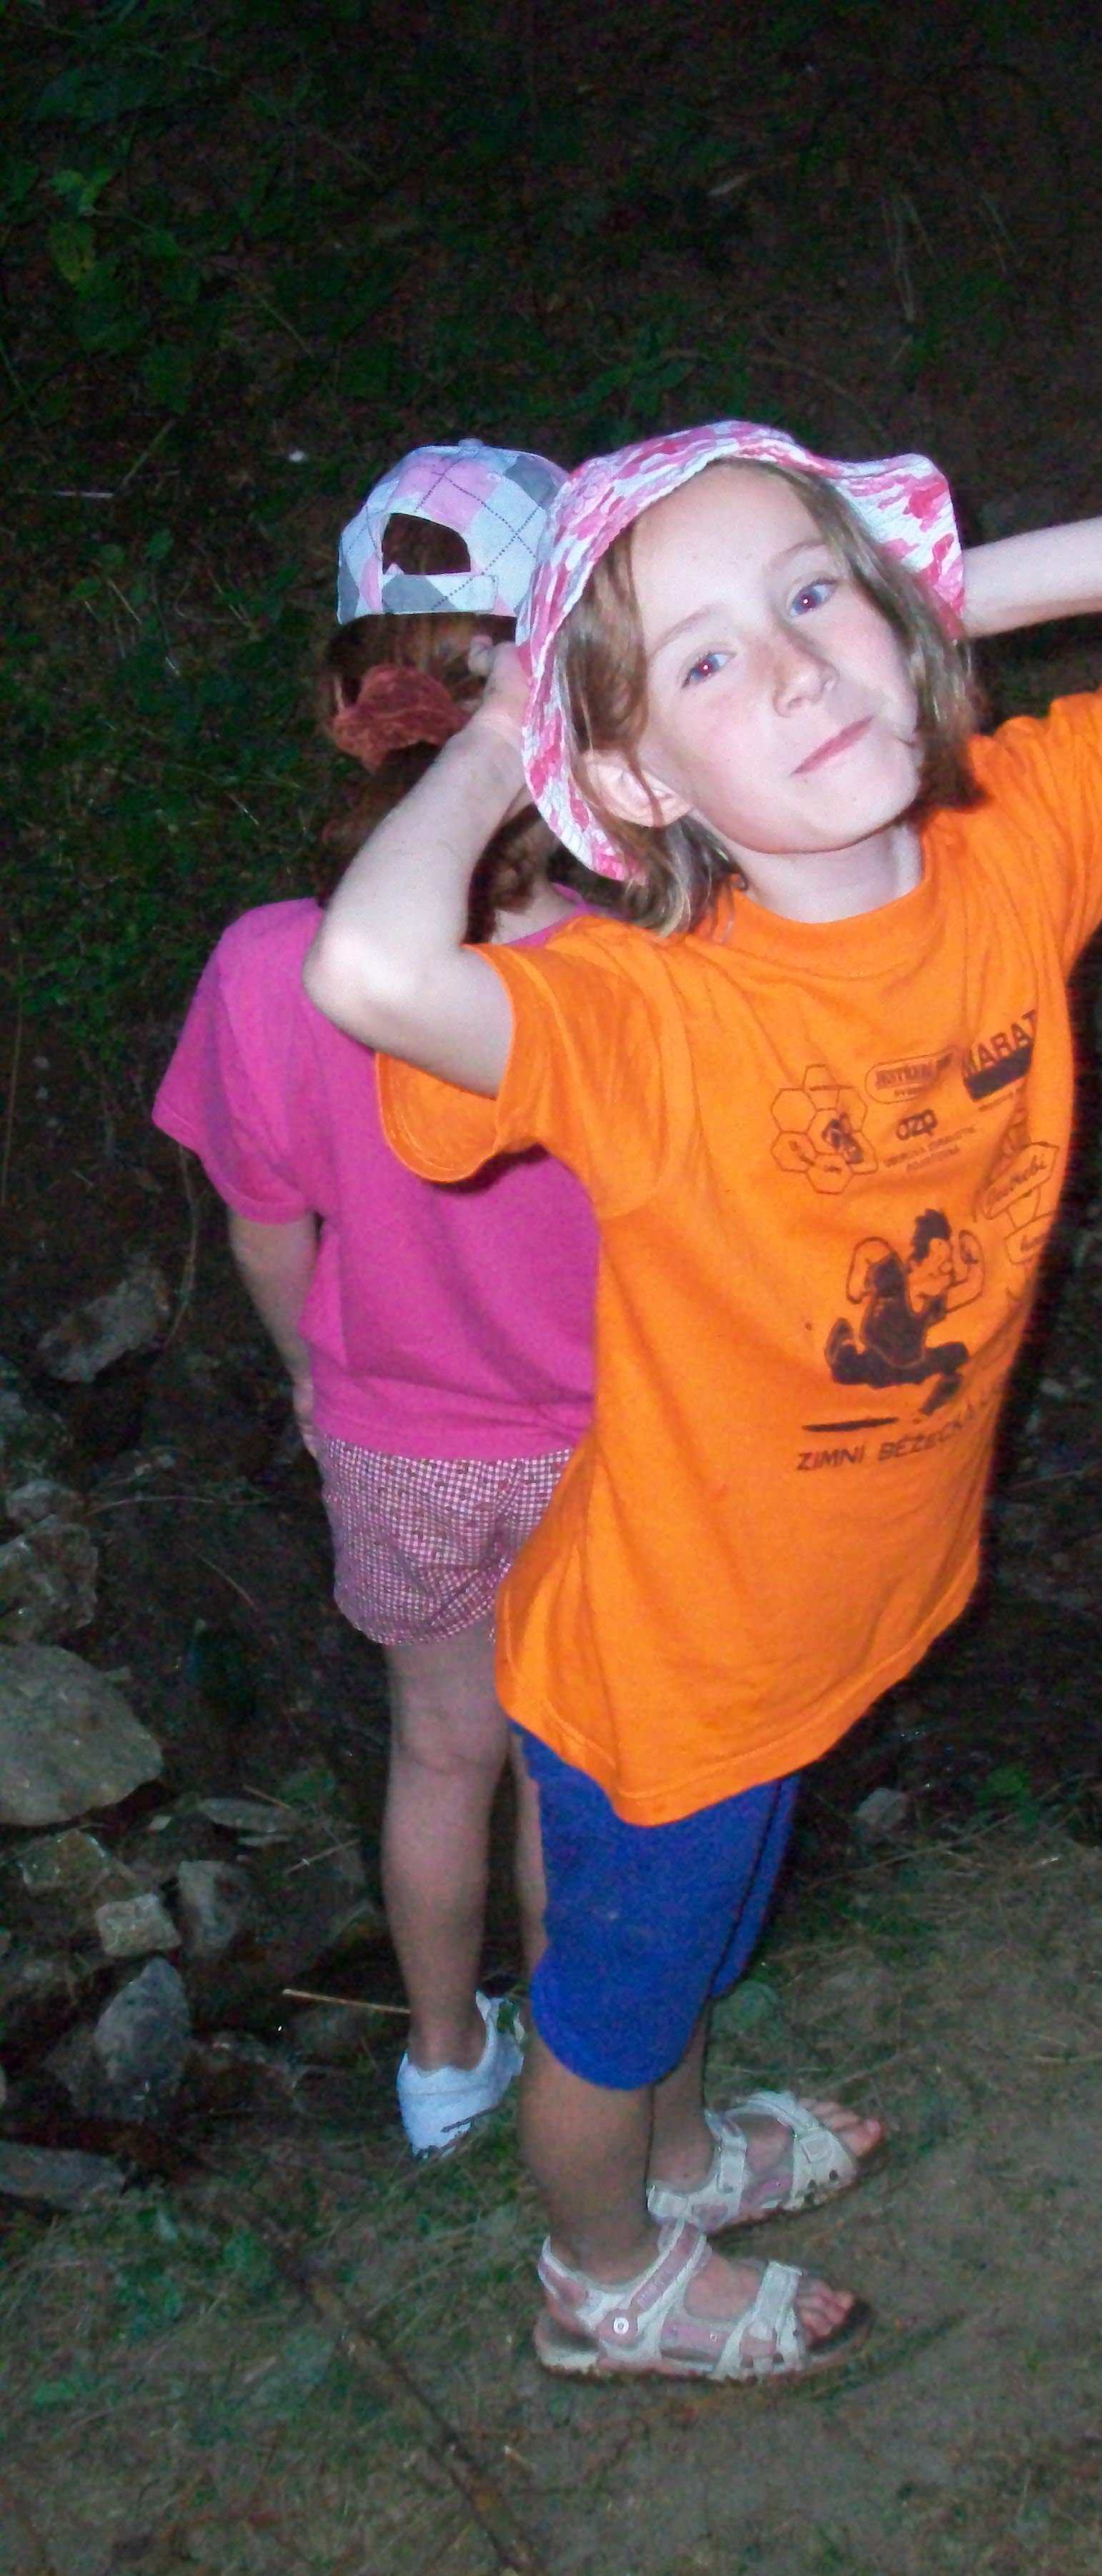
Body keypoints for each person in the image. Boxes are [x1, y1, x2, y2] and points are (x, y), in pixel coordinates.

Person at [304, 419, 1102, 2381]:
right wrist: (513, 726)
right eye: (705, 659)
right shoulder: (648, 1017)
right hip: (671, 1667)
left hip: (822, 1614)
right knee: (612, 2010)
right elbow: (369, 969)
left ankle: (682, 2160)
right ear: (629, 777)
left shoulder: (1016, 842)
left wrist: (918, 594)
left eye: (812, 595)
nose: (793, 668)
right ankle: (598, 2278)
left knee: (696, 1953)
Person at [154, 441, 601, 2156]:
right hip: (605, 1444)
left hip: (397, 1441)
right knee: (569, 1763)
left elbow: (269, 1235)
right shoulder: (634, 961)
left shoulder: (275, 961)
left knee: (437, 1750)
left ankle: (435, 2062)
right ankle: (579, 2060)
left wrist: (304, 1376)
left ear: (348, 699)